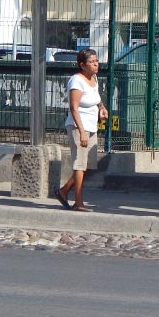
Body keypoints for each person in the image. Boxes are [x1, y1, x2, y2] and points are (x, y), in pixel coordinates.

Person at [56, 49, 108, 212]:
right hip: (79, 127)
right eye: (92, 62)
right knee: (79, 164)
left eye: (96, 61)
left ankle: (63, 191)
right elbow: (74, 107)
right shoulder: (76, 81)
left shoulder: (94, 79)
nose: (95, 64)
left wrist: (102, 108)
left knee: (86, 165)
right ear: (82, 65)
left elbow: (96, 98)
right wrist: (82, 132)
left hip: (92, 126)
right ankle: (78, 201)